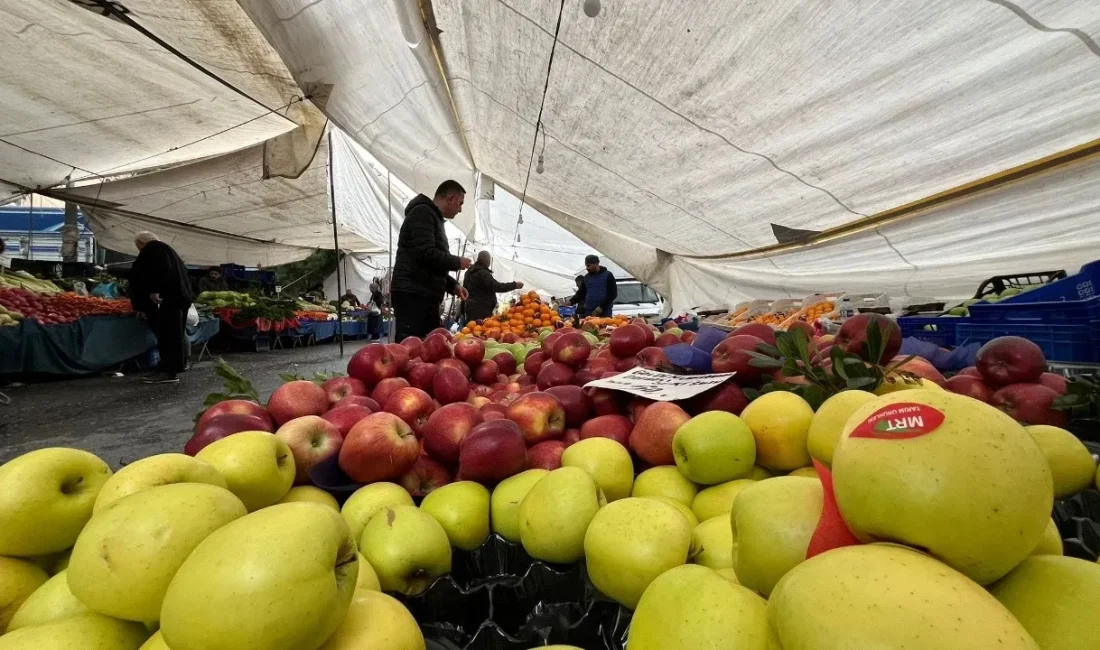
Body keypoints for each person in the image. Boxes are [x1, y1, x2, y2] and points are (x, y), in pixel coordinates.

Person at [391, 180, 472, 341]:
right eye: (460, 203)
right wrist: (457, 262)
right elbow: (425, 253)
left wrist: (453, 285)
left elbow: (431, 265)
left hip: (423, 293)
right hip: (414, 294)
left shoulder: (433, 218)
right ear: (450, 198)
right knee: (411, 346)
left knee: (428, 345)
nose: (460, 209)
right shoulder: (423, 213)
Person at [129, 232, 193, 384]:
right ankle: (167, 368)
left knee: (169, 336)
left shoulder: (154, 248)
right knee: (172, 336)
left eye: (137, 245)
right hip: (177, 299)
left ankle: (169, 372)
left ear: (140, 242)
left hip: (168, 299)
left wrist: (155, 290)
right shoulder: (168, 250)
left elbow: (159, 270)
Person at [462, 251, 523, 321]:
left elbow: (464, 291)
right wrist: (514, 285)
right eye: (489, 260)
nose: (489, 262)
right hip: (481, 310)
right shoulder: (483, 273)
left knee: (471, 326)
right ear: (486, 260)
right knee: (480, 327)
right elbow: (497, 286)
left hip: (470, 308)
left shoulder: (468, 273)